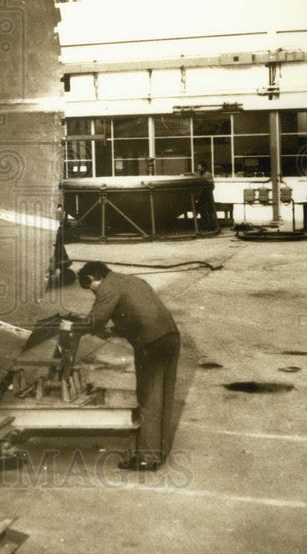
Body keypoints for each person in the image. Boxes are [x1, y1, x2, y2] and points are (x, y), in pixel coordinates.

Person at [76, 261, 180, 471]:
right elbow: (139, 312)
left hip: (151, 343)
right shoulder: (131, 280)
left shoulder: (107, 288)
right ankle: (159, 451)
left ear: (92, 279)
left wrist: (72, 325)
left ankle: (147, 459)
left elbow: (94, 321)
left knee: (149, 399)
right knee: (164, 396)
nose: (93, 293)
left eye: (90, 288)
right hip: (170, 337)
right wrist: (114, 331)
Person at [194, 161, 218, 231]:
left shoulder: (208, 175)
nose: (198, 168)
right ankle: (204, 225)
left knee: (209, 211)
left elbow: (211, 185)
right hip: (200, 195)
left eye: (199, 166)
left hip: (207, 195)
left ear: (203, 167)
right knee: (202, 211)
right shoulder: (197, 174)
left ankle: (211, 226)